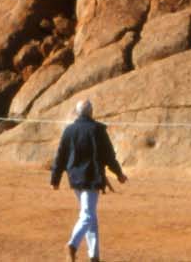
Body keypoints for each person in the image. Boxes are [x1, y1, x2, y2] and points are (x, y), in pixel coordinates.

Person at [50, 98, 127, 262]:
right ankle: (72, 245)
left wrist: (55, 178)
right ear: (91, 112)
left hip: (75, 178)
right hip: (91, 177)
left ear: (77, 112)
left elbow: (60, 156)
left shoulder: (69, 130)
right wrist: (119, 173)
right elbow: (108, 156)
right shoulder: (98, 130)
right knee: (87, 215)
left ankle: (94, 256)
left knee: (90, 214)